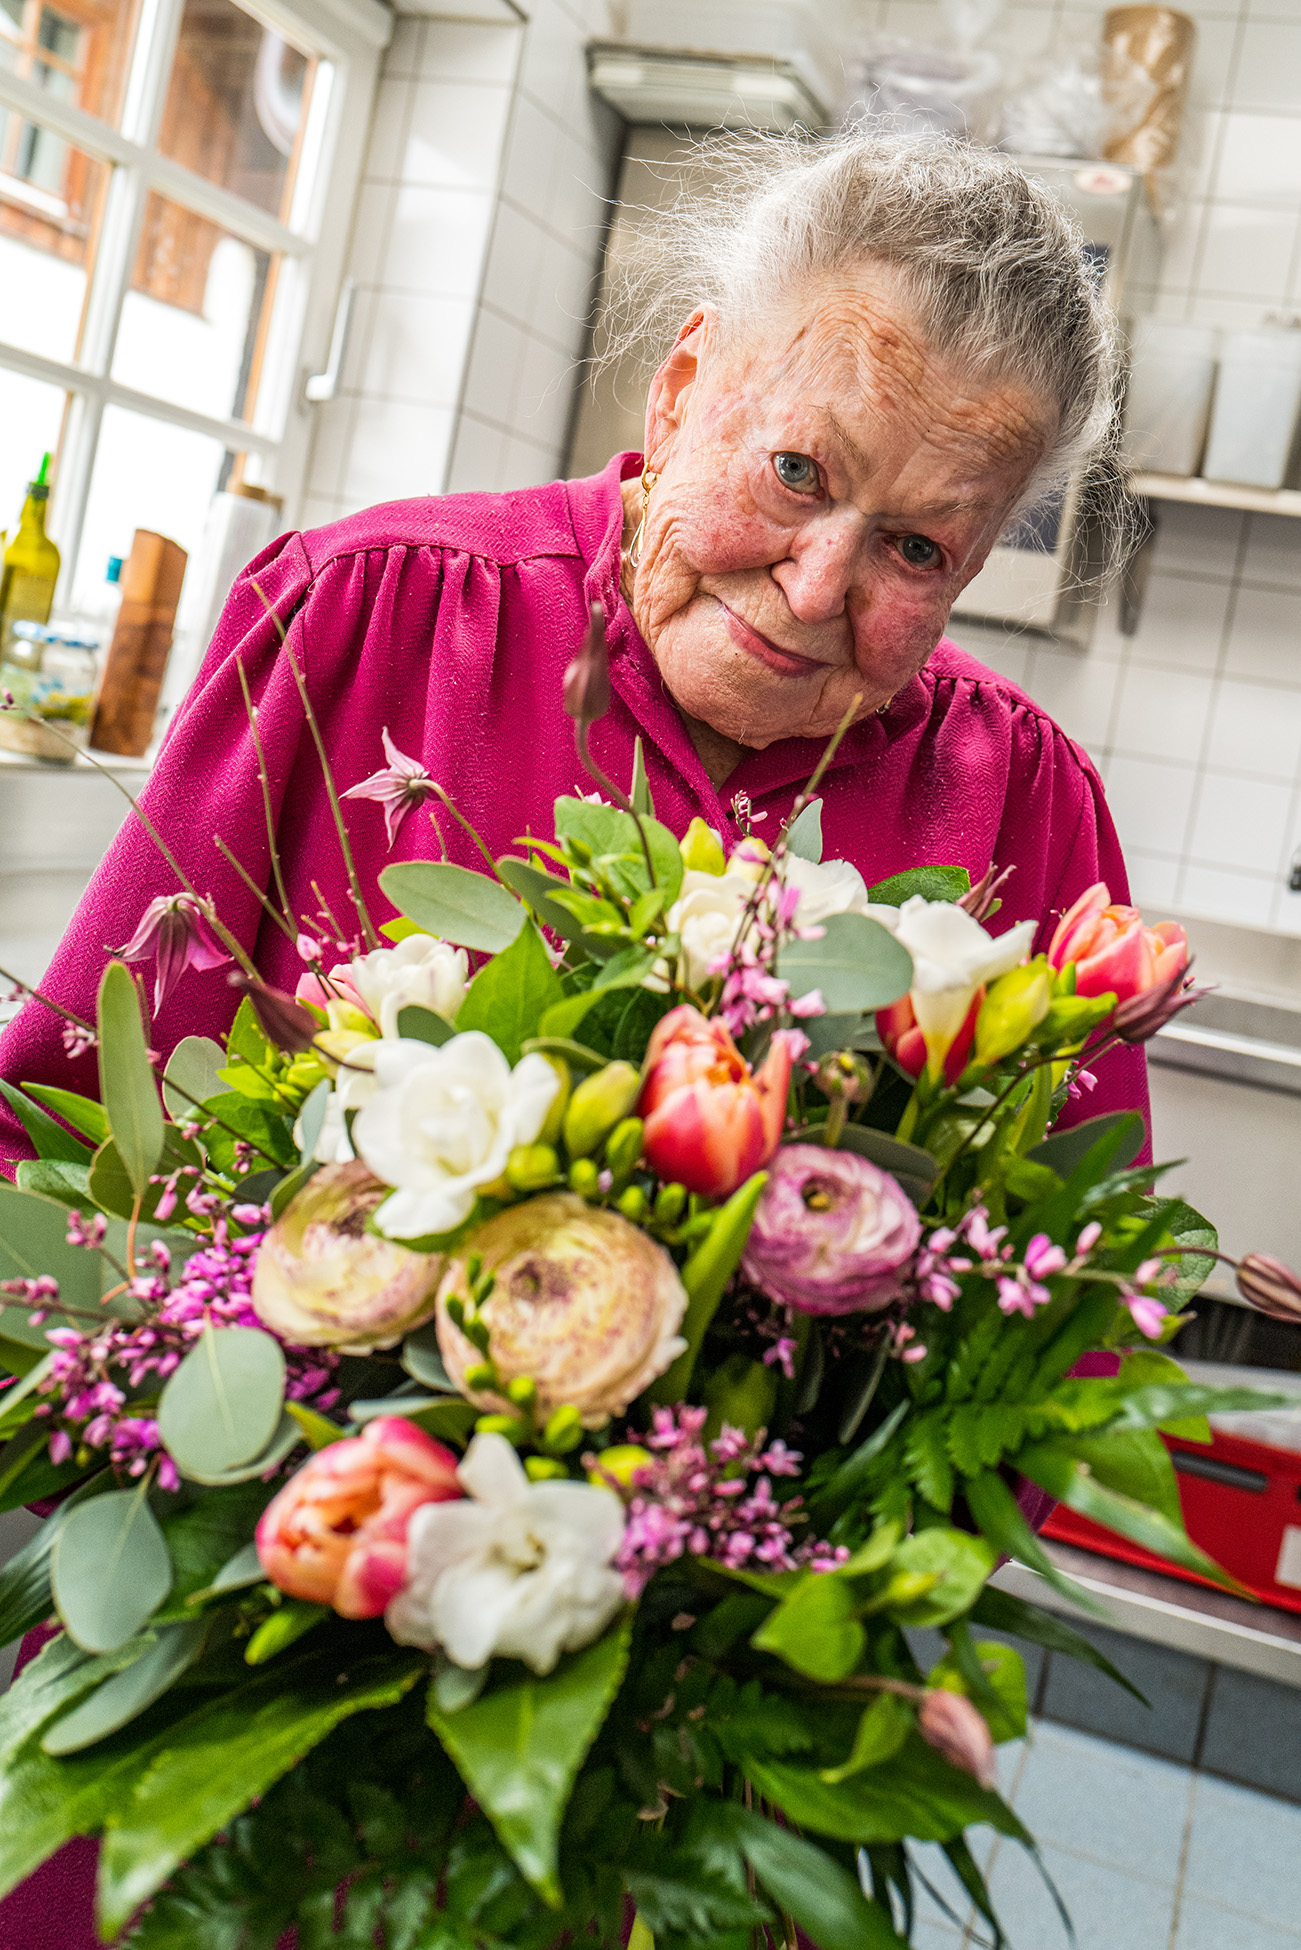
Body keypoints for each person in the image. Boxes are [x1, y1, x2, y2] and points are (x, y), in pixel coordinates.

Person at [0, 129, 1144, 1946]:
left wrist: (894, 1636)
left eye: (917, 545)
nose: (816, 584)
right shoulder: (364, 615)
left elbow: (1048, 1339)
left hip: (684, 1784)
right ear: (685, 385)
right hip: (239, 1693)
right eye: (794, 472)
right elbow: (59, 1150)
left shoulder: (1022, 811)